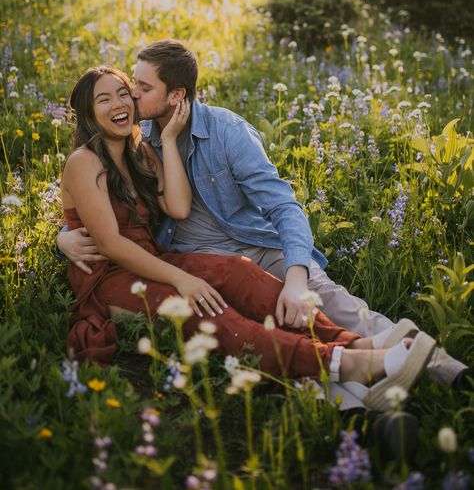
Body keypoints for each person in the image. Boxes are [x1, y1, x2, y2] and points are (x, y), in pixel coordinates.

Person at [58, 40, 468, 403]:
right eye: (121, 91)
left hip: (253, 247)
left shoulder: (212, 134)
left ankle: (439, 369)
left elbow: (280, 207)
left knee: (330, 303)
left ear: (175, 95)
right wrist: (65, 237)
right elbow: (101, 224)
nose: (128, 97)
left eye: (136, 89)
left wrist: (295, 276)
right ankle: (358, 395)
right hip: (173, 259)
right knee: (235, 318)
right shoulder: (134, 138)